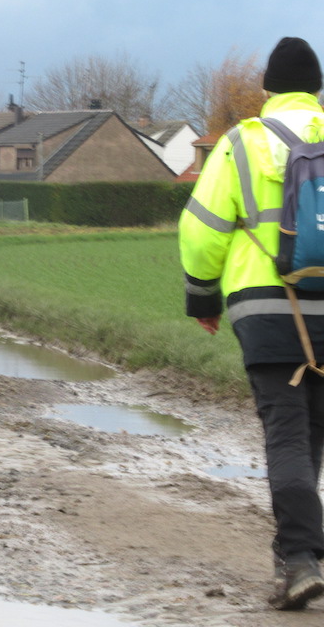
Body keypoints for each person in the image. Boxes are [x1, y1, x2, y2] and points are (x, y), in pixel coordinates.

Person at [180, 36, 324, 610]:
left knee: (286, 432)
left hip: (266, 308)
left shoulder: (242, 142)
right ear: (317, 89)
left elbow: (202, 231)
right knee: (311, 435)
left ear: (267, 89)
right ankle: (299, 555)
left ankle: (299, 560)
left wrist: (202, 300)